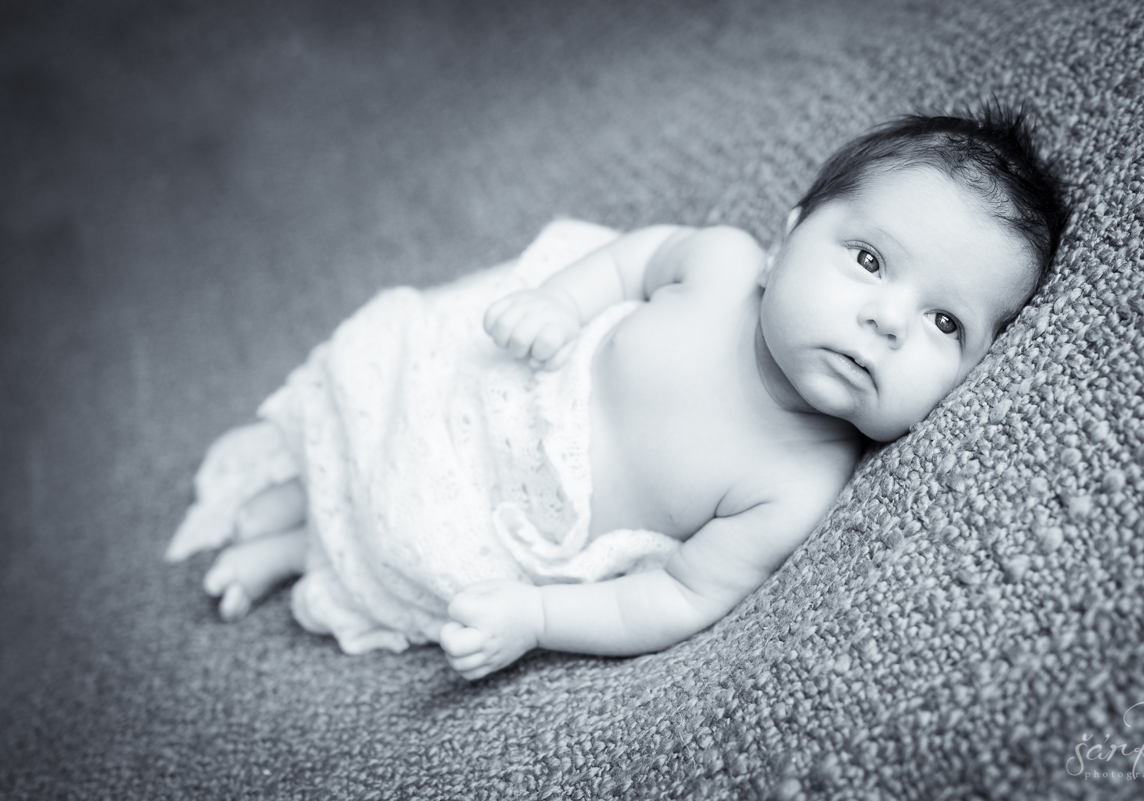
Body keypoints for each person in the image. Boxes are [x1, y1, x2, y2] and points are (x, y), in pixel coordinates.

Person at [168, 104, 1069, 680]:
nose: (888, 320)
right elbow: (630, 257)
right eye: (869, 259)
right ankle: (296, 500)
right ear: (788, 235)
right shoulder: (717, 264)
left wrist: (539, 616)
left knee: (402, 542)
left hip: (502, 523)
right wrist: (560, 304)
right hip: (482, 397)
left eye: (947, 324)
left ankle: (298, 549)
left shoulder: (796, 482)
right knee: (375, 423)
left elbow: (673, 596)